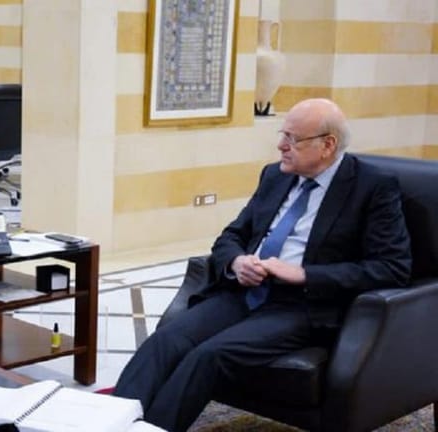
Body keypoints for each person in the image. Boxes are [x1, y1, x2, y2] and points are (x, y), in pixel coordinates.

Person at [112, 98, 412, 431]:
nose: (281, 145)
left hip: (301, 306)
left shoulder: (372, 187)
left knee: (208, 356)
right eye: (283, 134)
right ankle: (108, 424)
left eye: (293, 139)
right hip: (245, 291)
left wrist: (305, 274)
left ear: (328, 145)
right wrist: (237, 261)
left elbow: (392, 268)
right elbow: (231, 236)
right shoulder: (274, 176)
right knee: (165, 340)